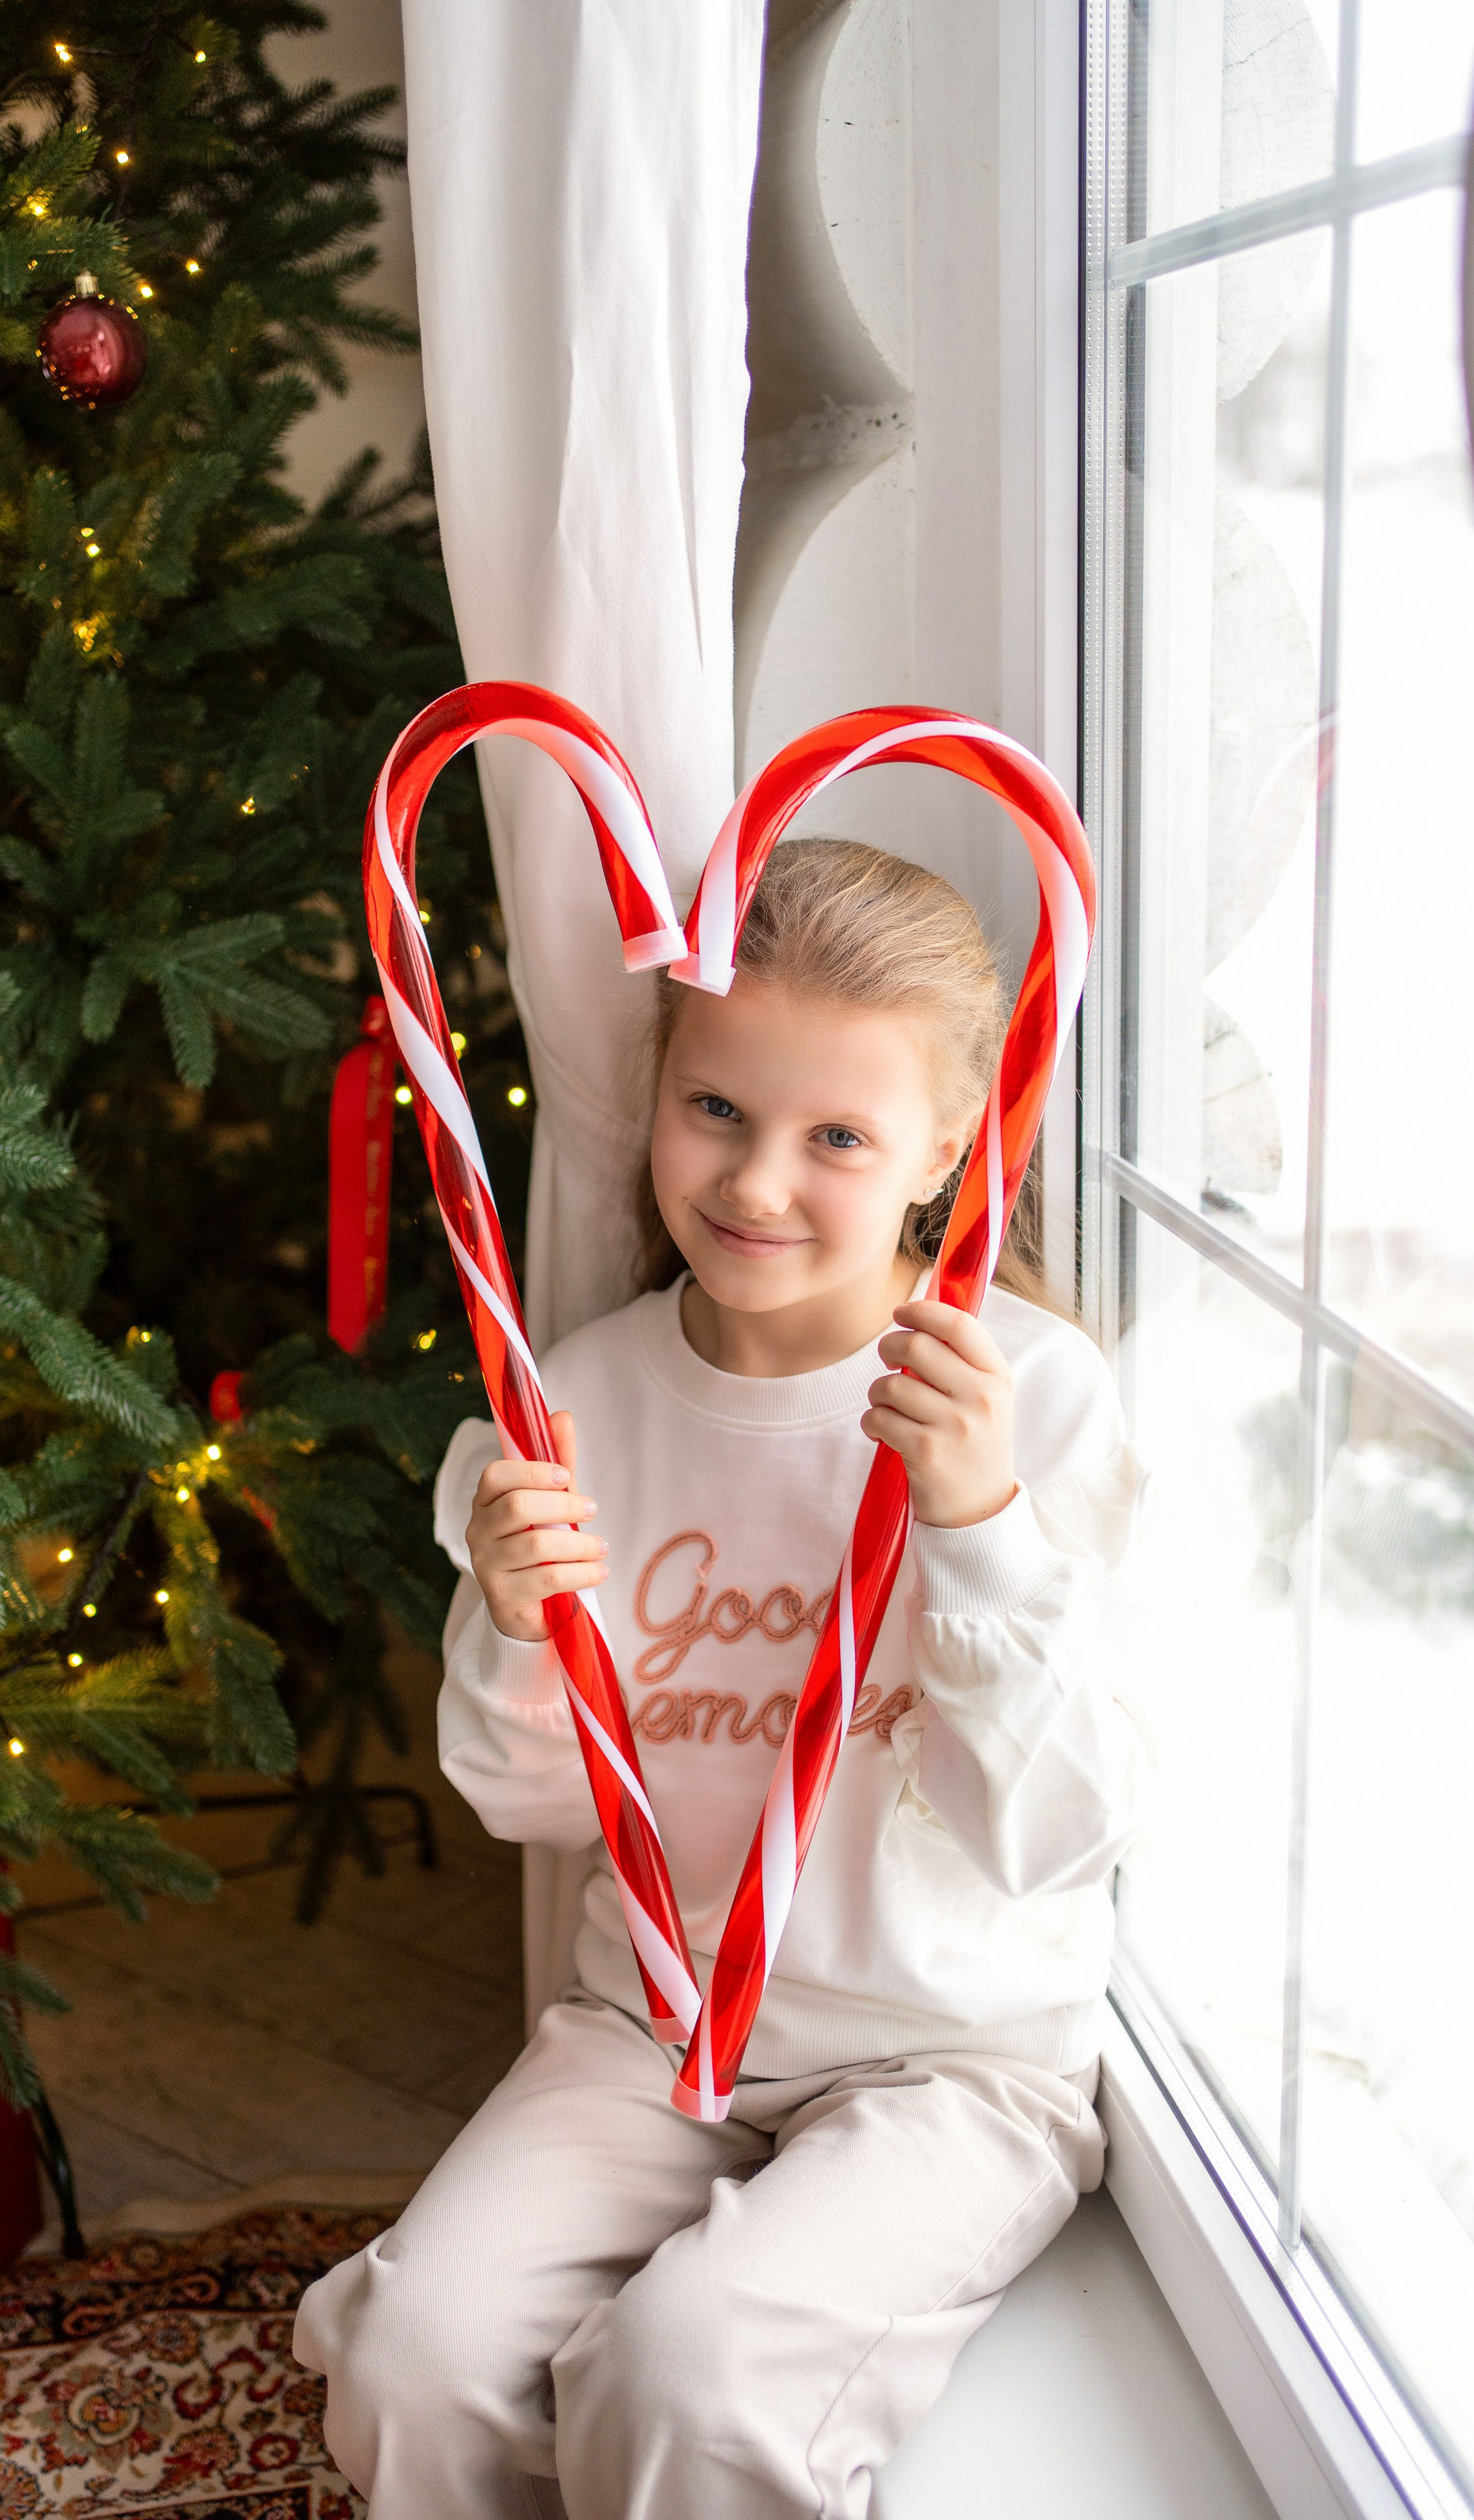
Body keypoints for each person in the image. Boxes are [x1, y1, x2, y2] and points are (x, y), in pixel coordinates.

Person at [295, 838, 1148, 2520]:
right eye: (717, 1112)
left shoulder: (1027, 1408)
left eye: (835, 1136)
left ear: (945, 1149)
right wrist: (523, 1624)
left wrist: (972, 1524)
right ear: (659, 1092)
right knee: (415, 2356)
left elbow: (1052, 1834)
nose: (759, 1183)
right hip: (655, 2025)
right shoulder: (581, 1406)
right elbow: (528, 1801)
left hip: (945, 2058)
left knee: (682, 2379)